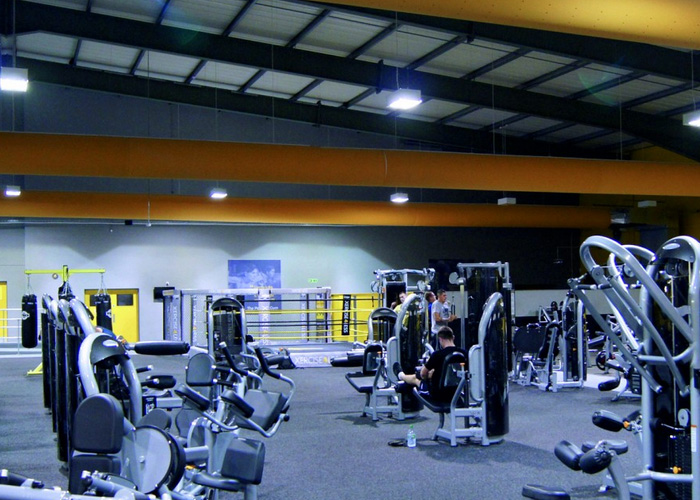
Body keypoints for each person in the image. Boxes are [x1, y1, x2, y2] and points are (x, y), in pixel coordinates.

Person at [394, 326, 466, 401]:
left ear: (440, 339)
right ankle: (402, 376)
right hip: (456, 392)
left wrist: (429, 375)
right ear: (453, 337)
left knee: (416, 379)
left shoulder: (437, 355)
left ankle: (401, 375)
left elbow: (422, 374)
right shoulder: (464, 354)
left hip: (437, 394)